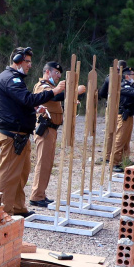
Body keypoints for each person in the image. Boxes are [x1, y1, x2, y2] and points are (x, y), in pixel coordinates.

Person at [0, 46, 65, 217]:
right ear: (17, 60)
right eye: (27, 61)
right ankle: (2, 213)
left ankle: (17, 207)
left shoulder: (11, 78)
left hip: (19, 133)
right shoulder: (12, 79)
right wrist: (54, 91)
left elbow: (19, 103)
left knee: (21, 173)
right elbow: (27, 99)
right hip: (13, 134)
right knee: (9, 175)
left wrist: (33, 108)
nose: (30, 65)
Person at [30, 61, 86, 208]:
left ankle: (40, 194)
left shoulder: (52, 87)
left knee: (47, 163)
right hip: (45, 129)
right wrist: (75, 90)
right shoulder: (43, 86)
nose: (58, 75)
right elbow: (54, 97)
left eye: (60, 73)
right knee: (43, 163)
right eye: (56, 72)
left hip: (52, 129)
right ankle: (36, 196)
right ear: (47, 72)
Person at [109, 67, 134, 172]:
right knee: (119, 140)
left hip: (129, 115)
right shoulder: (123, 85)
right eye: (133, 75)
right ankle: (114, 163)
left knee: (126, 141)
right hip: (123, 116)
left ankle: (124, 160)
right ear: (127, 76)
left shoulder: (131, 85)